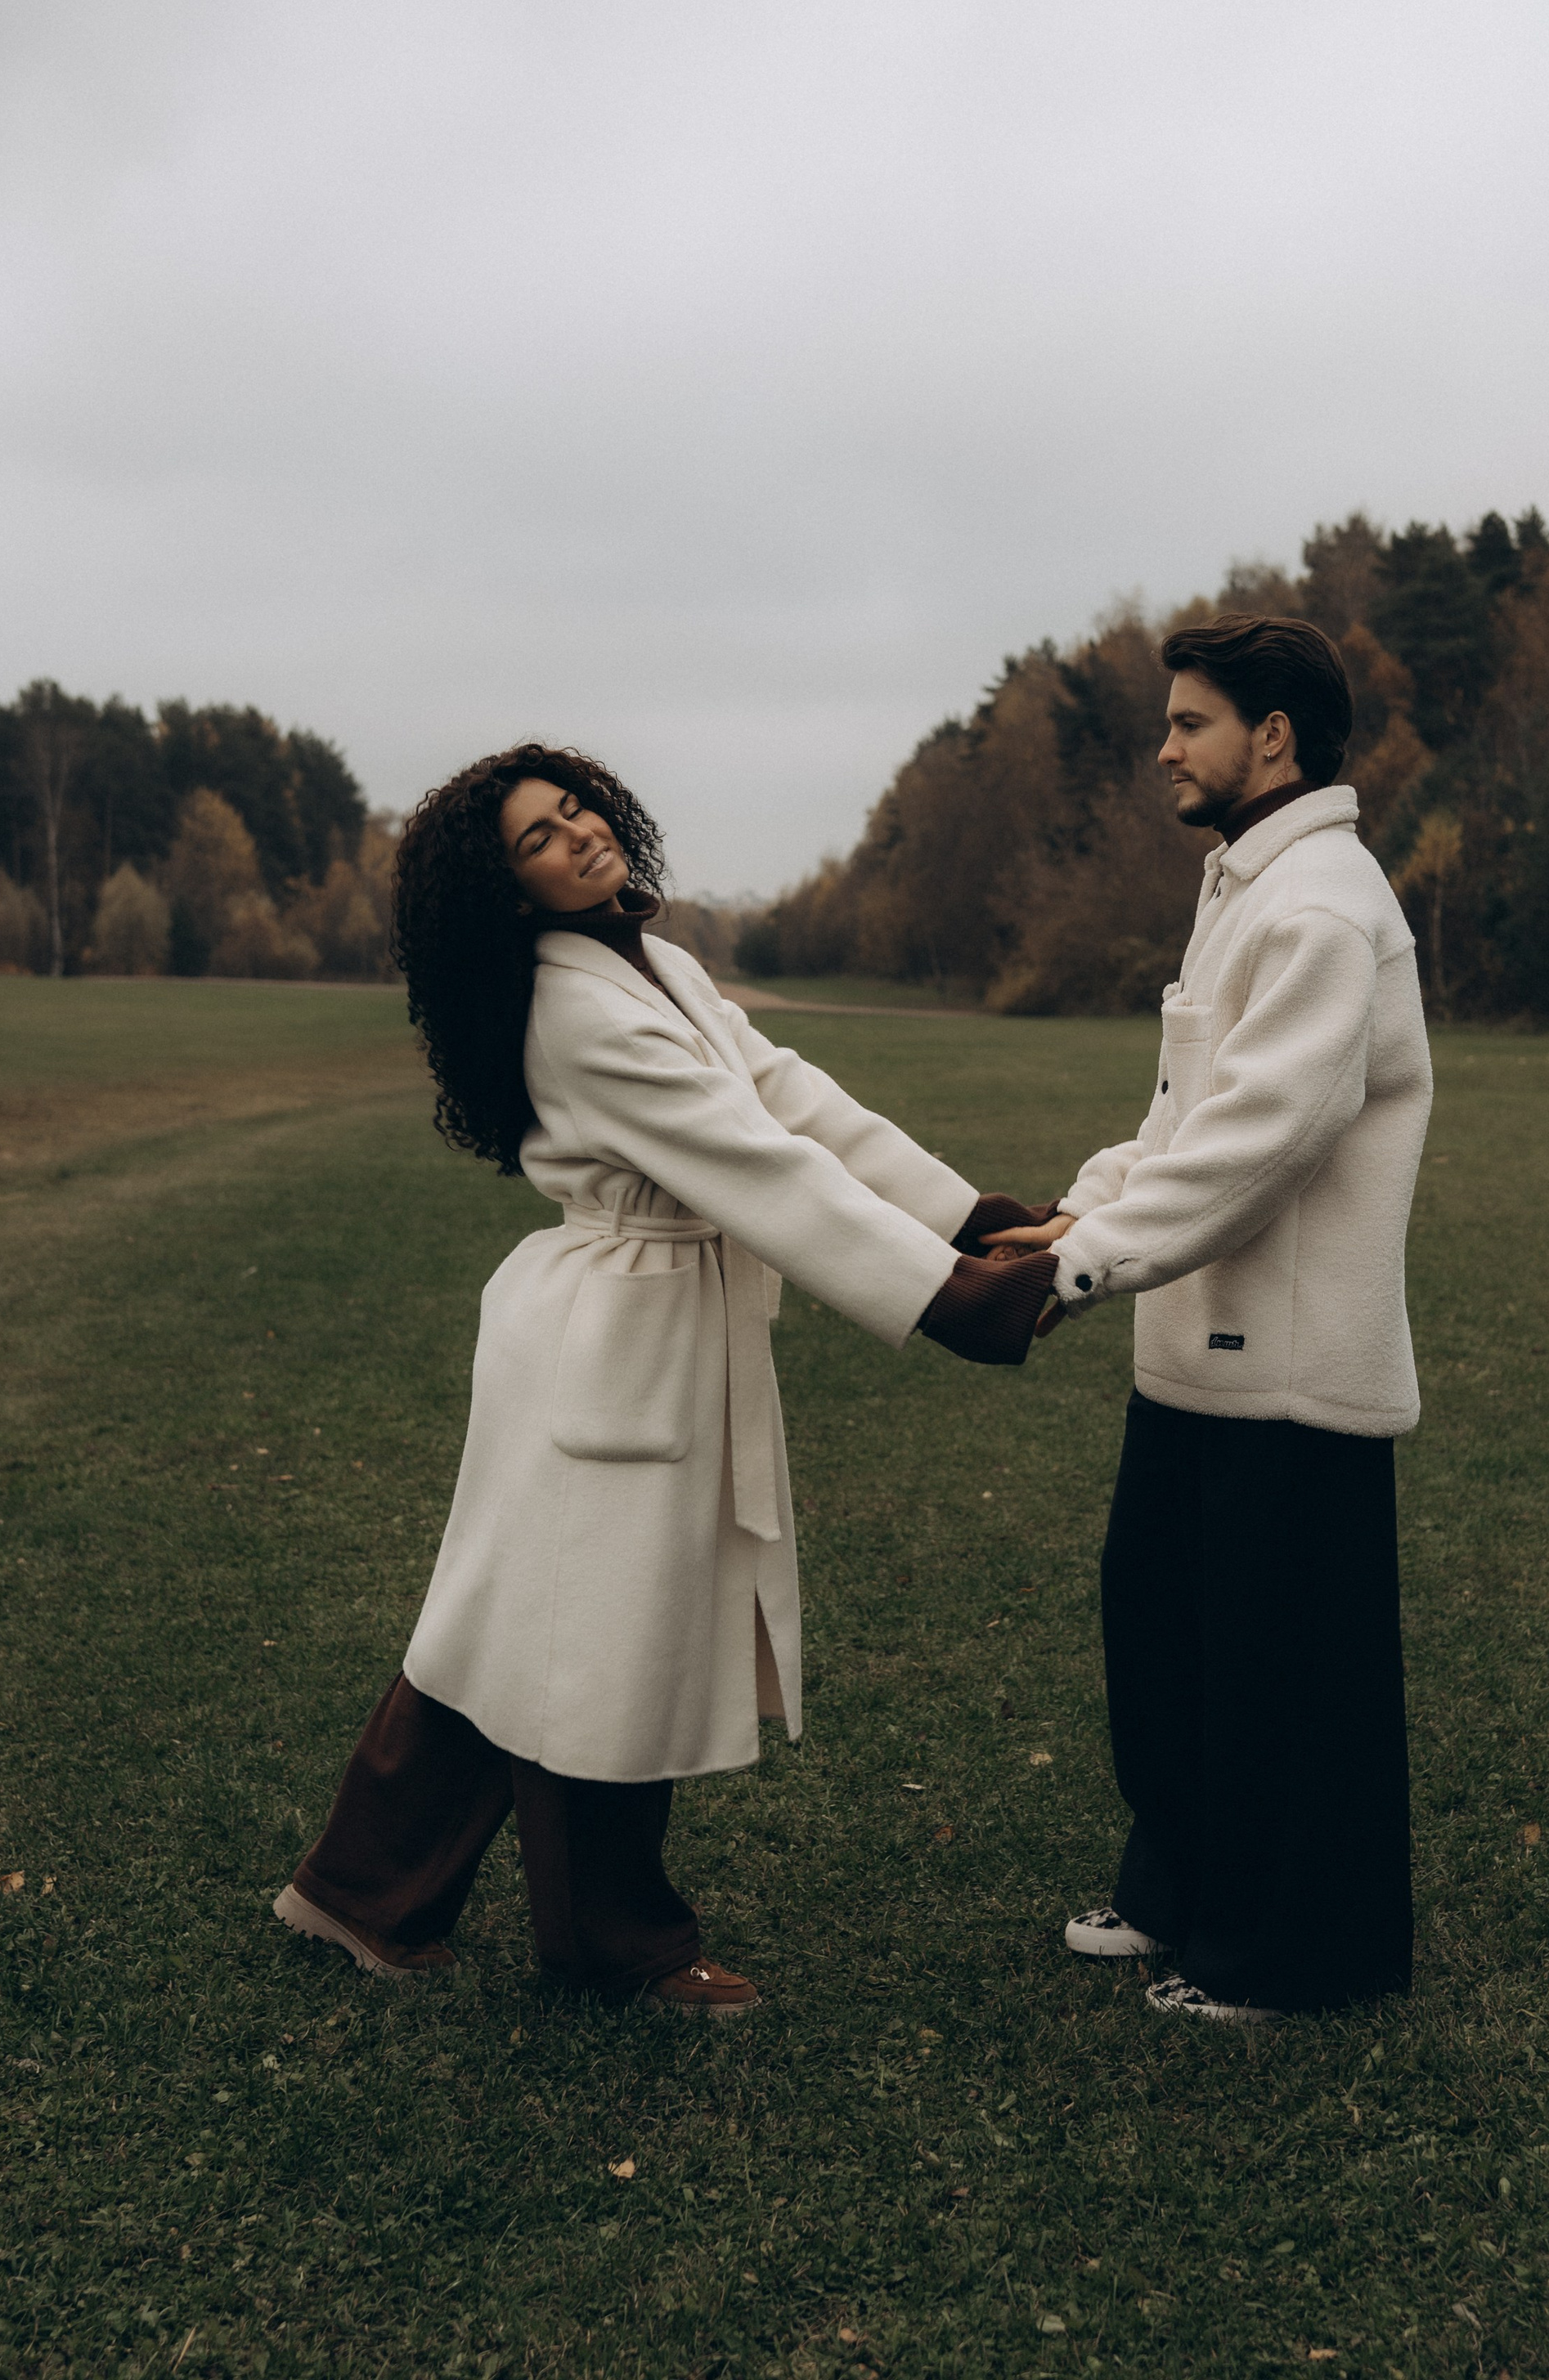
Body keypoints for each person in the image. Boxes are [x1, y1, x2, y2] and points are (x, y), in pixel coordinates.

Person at [274, 742, 1056, 2011]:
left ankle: (357, 1892)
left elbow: (799, 1103)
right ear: (507, 891)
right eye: (537, 839)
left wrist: (968, 1215)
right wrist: (951, 1299)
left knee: (508, 1617)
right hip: (618, 1345)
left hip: (623, 1333)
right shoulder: (575, 1008)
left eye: (575, 809)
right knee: (601, 1642)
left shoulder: (653, 963)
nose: (576, 836)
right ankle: (613, 1946)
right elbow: (758, 1166)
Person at [985, 615, 1432, 2024]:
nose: (1164, 745)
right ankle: (1182, 1892)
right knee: (1167, 1634)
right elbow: (1185, 1117)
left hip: (1293, 1375)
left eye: (1189, 722)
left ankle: (1294, 1963)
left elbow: (1267, 1137)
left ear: (1274, 738)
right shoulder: (1243, 884)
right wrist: (1078, 1215)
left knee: (1285, 1680)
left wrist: (1078, 1271)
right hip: (1195, 1361)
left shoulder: (1320, 905)